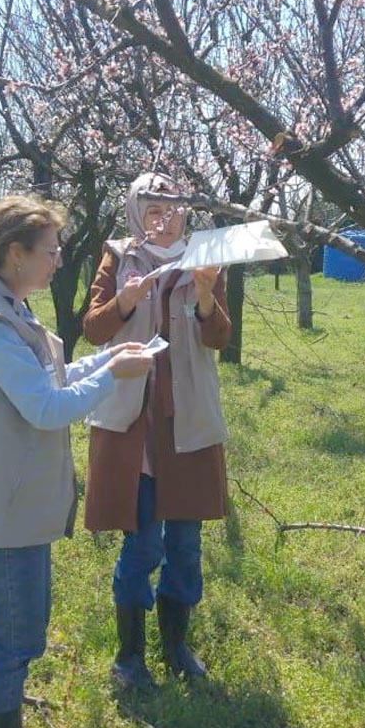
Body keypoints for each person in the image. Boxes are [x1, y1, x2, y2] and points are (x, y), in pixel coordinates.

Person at [0, 195, 152, 728]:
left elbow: (46, 380)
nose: (58, 261)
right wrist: (114, 377)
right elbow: (46, 407)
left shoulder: (9, 309)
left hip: (12, 503)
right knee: (12, 640)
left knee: (17, 633)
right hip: (2, 512)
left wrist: (109, 357)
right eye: (50, 251)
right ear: (15, 253)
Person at [82, 173, 232, 689]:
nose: (164, 219)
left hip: (186, 421)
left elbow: (219, 338)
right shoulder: (119, 256)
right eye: (152, 210)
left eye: (172, 209)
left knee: (185, 546)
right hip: (133, 424)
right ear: (135, 214)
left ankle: (176, 647)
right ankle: (129, 658)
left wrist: (208, 296)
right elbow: (94, 328)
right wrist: (125, 300)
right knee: (142, 545)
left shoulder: (204, 258)